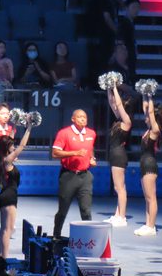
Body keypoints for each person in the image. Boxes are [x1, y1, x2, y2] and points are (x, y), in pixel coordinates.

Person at [52, 109, 97, 237]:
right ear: (73, 119)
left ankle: (88, 238)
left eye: (85, 117)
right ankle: (56, 235)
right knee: (63, 210)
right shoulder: (64, 133)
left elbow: (90, 148)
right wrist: (74, 153)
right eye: (80, 117)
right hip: (68, 176)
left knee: (86, 210)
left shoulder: (91, 133)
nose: (83, 119)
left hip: (85, 176)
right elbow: (55, 153)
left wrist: (92, 158)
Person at [0, 122, 33, 258]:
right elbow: (22, 146)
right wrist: (29, 128)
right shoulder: (7, 160)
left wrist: (14, 126)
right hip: (9, 196)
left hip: (5, 195)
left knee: (5, 230)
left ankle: (2, 255)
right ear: (6, 147)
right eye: (11, 145)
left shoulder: (0, 159)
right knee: (7, 230)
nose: (14, 147)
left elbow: (8, 141)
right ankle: (4, 257)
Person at [104, 86, 133, 227]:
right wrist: (108, 87)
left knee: (119, 188)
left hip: (119, 155)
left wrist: (115, 88)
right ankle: (117, 214)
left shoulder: (127, 121)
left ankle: (122, 217)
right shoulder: (118, 120)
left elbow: (119, 105)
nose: (116, 106)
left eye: (119, 105)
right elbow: (112, 102)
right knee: (118, 187)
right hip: (115, 155)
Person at [135, 97, 162, 237]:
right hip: (144, 164)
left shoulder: (155, 130)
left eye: (148, 116)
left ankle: (151, 226)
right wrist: (145, 94)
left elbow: (150, 113)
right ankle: (148, 224)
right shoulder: (148, 131)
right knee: (147, 198)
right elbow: (146, 108)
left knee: (151, 198)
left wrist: (151, 96)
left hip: (149, 165)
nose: (145, 117)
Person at [117, 0, 140, 78]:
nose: (136, 10)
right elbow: (120, 43)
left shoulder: (130, 23)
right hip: (126, 59)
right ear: (127, 8)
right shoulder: (124, 24)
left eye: (138, 7)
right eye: (134, 7)